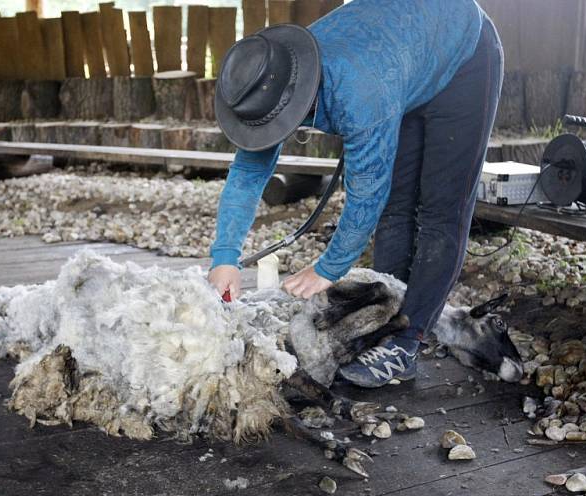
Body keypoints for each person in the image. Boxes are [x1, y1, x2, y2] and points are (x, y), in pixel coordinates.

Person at [208, 0, 503, 388]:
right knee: (396, 208)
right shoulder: (269, 78)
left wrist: (328, 268)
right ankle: (383, 321)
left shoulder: (359, 90)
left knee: (440, 210)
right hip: (405, 55)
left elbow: (367, 189)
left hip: (462, 51)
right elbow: (248, 169)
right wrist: (226, 257)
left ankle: (405, 342)